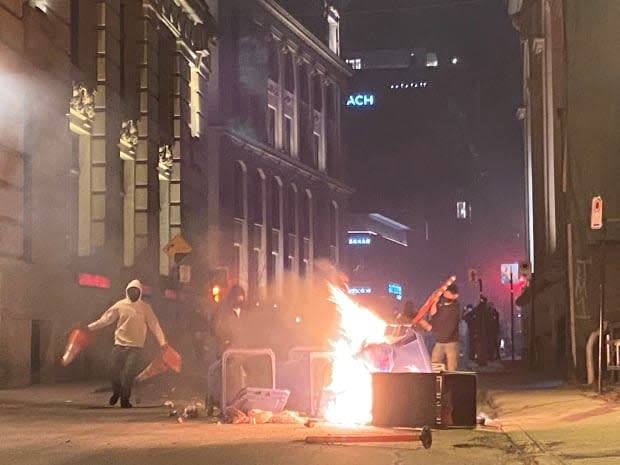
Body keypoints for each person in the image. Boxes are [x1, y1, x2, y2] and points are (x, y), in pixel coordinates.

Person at [86, 279, 168, 408]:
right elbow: (105, 320)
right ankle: (117, 391)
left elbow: (154, 325)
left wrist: (163, 342)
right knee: (112, 370)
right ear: (127, 291)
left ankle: (125, 399)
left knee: (127, 374)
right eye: (131, 291)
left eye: (136, 291)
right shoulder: (120, 305)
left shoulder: (145, 308)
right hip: (119, 345)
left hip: (136, 347)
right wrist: (88, 328)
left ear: (140, 292)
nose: (133, 293)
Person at [419, 283, 461, 371]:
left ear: (455, 296)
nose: (446, 295)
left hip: (451, 343)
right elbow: (434, 315)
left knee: (452, 368)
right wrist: (435, 302)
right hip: (439, 342)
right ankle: (435, 383)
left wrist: (431, 328)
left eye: (449, 293)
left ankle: (451, 383)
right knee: (434, 365)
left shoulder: (456, 308)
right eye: (445, 293)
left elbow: (448, 325)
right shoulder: (441, 307)